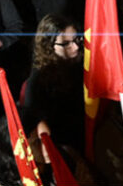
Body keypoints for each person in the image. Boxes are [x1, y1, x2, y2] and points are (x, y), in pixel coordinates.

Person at [20, 15, 84, 155]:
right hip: (64, 148)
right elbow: (34, 123)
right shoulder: (38, 82)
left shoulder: (81, 64)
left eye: (77, 39)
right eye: (66, 44)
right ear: (48, 46)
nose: (75, 47)